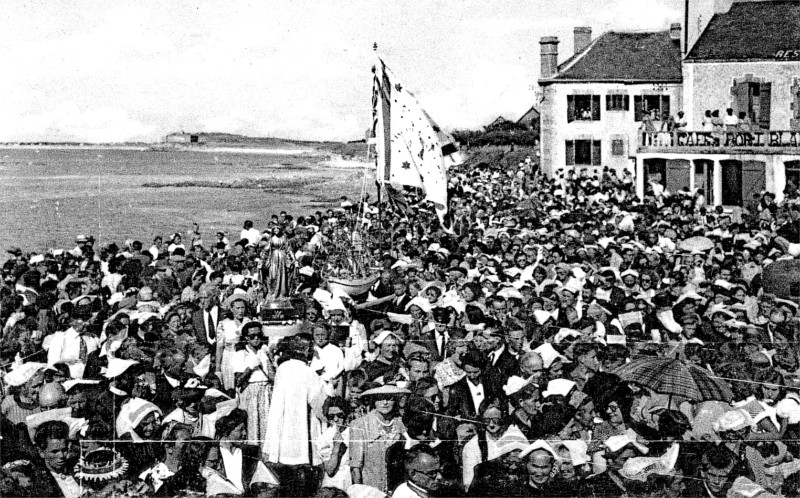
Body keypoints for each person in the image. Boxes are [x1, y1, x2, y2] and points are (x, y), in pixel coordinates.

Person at [264, 333, 331, 497]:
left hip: (284, 431)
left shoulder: (282, 368)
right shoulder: (309, 373)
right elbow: (320, 406)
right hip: (302, 431)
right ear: (307, 350)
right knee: (302, 479)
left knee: (287, 477)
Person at [349, 384, 408, 493]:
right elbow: (355, 467)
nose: (385, 403)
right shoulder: (360, 425)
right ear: (373, 401)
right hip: (371, 489)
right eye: (380, 399)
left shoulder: (401, 424)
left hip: (397, 490)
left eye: (389, 399)